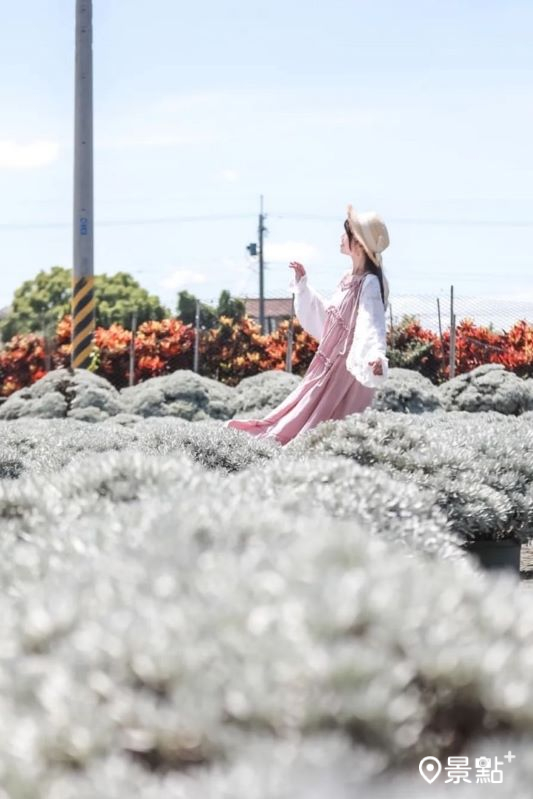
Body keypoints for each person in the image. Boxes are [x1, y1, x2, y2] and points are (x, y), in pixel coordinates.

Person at [224, 205, 390, 445]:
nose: (341, 238)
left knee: (320, 428)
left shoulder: (370, 283)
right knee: (302, 415)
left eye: (346, 233)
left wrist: (375, 354)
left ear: (358, 245)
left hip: (346, 372)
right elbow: (331, 320)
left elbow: (372, 320)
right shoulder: (347, 279)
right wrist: (303, 288)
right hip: (328, 365)